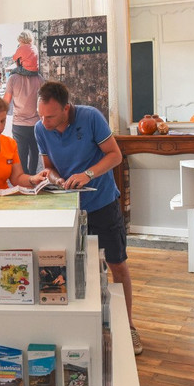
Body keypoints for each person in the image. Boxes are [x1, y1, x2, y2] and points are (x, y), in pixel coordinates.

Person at [34, 81, 143, 355]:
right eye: (40, 115)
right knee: (77, 269)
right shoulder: (40, 130)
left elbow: (115, 156)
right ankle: (91, 325)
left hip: (102, 204)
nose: (43, 121)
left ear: (66, 109)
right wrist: (58, 179)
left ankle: (128, 325)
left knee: (117, 265)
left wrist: (88, 175)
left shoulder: (90, 117)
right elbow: (48, 169)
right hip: (69, 210)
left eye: (50, 116)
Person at [3, 70, 43, 173]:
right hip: (35, 123)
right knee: (34, 152)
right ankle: (33, 177)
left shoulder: (13, 78)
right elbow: (45, 97)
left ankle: (24, 178)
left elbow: (6, 100)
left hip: (19, 124)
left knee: (21, 153)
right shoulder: (39, 78)